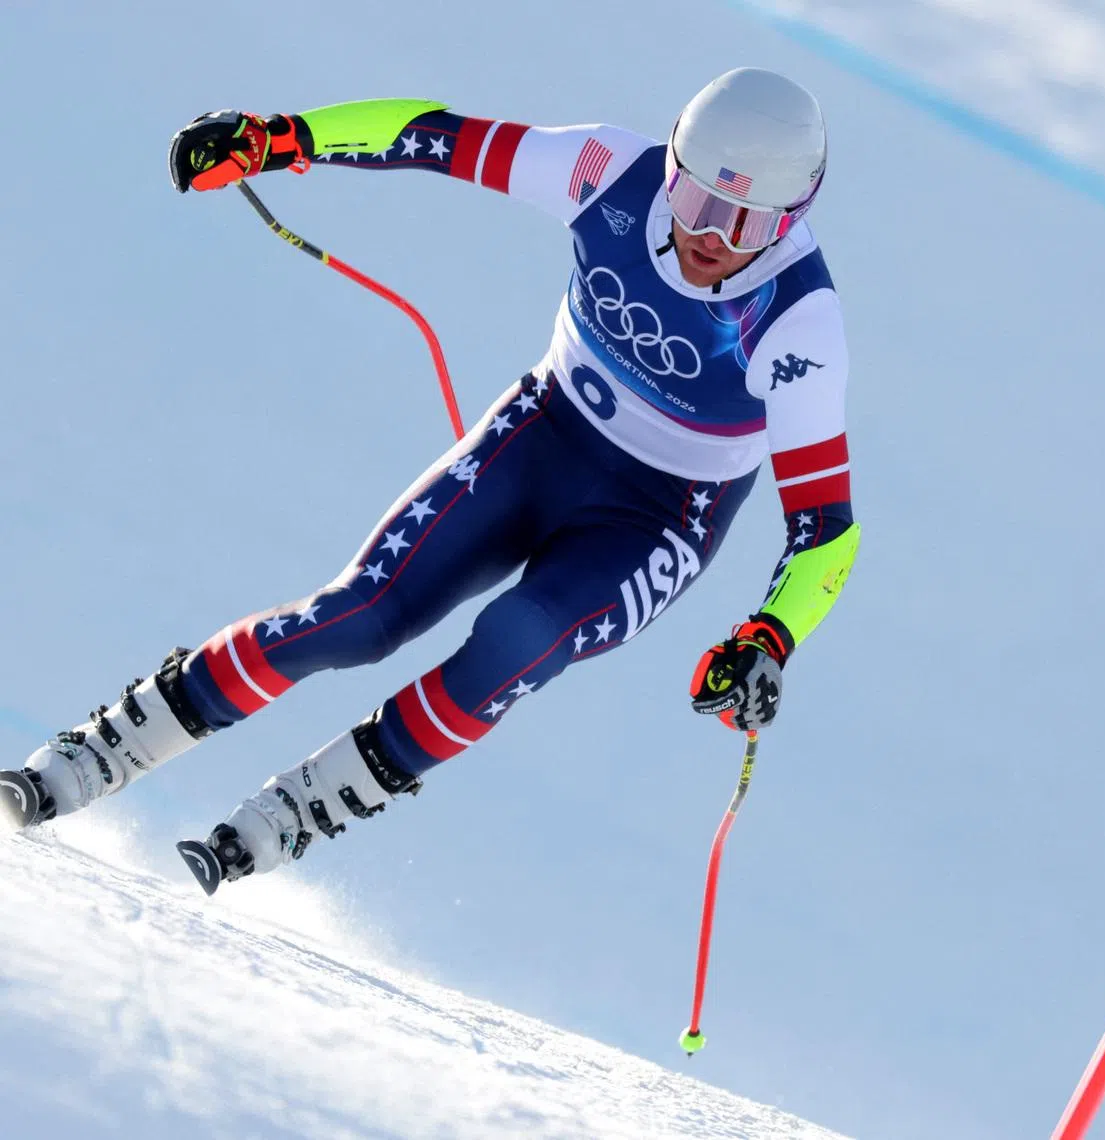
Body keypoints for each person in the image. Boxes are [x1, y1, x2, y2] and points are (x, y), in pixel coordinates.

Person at [0, 68, 861, 894]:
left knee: (517, 637)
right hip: (544, 434)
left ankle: (297, 811)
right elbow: (430, 136)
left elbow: (826, 526)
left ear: (792, 220)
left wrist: (770, 638)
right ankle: (88, 757)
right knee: (355, 620)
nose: (712, 235)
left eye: (747, 224)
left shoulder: (798, 321)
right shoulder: (609, 171)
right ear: (670, 165)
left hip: (656, 520)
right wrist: (283, 138)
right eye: (698, 200)